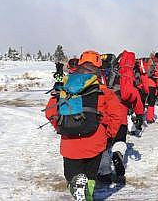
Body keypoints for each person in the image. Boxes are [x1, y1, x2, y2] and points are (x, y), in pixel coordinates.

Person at [44, 50, 122, 201]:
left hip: (69, 144)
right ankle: (86, 195)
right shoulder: (103, 90)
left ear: (80, 64)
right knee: (90, 178)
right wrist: (108, 136)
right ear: (99, 67)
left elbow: (50, 112)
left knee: (73, 180)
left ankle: (79, 193)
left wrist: (61, 127)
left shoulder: (65, 87)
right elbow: (116, 116)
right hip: (95, 141)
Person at [97, 50, 144, 182]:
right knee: (120, 139)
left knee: (105, 142)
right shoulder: (128, 74)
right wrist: (139, 113)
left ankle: (104, 172)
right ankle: (118, 154)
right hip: (120, 111)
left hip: (104, 109)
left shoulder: (109, 71)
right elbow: (132, 95)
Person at [146, 52, 158, 124]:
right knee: (151, 102)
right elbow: (157, 76)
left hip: (147, 84)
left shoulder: (150, 62)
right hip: (152, 85)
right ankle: (149, 118)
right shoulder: (154, 64)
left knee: (148, 101)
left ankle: (147, 116)